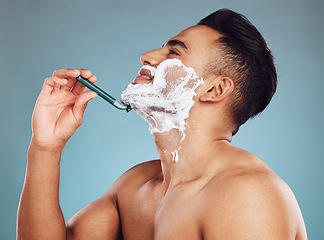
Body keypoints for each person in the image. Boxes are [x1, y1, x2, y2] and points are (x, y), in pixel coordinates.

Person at [17, 9, 307, 240]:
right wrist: (45, 146)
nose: (147, 56)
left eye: (174, 52)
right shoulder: (135, 187)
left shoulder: (248, 196)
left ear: (215, 90)